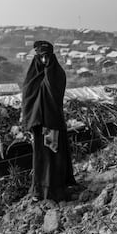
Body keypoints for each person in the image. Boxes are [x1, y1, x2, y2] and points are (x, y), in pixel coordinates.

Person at [22, 40, 76, 202]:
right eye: (41, 57)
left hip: (53, 123)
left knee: (55, 156)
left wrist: (48, 73)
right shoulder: (31, 77)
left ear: (52, 56)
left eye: (47, 57)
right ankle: (40, 190)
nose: (44, 61)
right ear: (36, 57)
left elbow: (55, 93)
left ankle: (58, 190)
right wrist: (30, 121)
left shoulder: (57, 73)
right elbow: (28, 99)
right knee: (42, 158)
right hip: (39, 124)